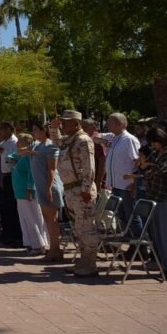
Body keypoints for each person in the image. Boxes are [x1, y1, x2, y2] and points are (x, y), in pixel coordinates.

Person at [51, 110, 99, 277]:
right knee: (77, 228)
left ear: (76, 123)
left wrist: (86, 189)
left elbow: (89, 167)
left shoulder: (83, 140)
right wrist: (53, 128)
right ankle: (83, 260)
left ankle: (90, 263)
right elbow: (56, 141)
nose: (63, 125)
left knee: (86, 228)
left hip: (80, 190)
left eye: (65, 122)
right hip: (70, 189)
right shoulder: (70, 140)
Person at [136, 127, 167, 279]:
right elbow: (143, 168)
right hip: (155, 198)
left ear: (160, 140)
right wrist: (144, 164)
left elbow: (158, 170)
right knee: (159, 236)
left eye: (154, 143)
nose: (152, 146)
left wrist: (147, 167)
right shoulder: (157, 153)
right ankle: (166, 266)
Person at [94, 112, 141, 234]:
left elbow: (137, 162)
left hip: (127, 186)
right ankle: (128, 241)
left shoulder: (129, 140)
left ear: (120, 124)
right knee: (122, 216)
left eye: (110, 122)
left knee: (132, 216)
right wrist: (101, 140)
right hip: (115, 185)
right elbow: (93, 136)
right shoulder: (113, 137)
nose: (107, 124)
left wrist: (134, 183)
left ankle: (139, 245)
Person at [30, 122, 64, 262]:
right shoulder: (37, 145)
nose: (33, 133)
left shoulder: (50, 146)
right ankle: (54, 249)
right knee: (47, 219)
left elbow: (52, 169)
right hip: (40, 186)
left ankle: (55, 249)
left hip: (49, 186)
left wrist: (49, 188)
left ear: (44, 131)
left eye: (35, 129)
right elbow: (20, 150)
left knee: (52, 219)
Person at [10, 133, 48, 255]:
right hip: (19, 192)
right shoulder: (21, 156)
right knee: (25, 219)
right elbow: (11, 156)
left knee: (33, 218)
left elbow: (32, 173)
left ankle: (38, 244)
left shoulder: (29, 157)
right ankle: (30, 243)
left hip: (27, 192)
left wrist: (30, 188)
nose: (17, 143)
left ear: (26, 143)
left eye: (19, 141)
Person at [0, 121, 22, 246]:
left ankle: (16, 236)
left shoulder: (14, 142)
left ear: (9, 130)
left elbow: (16, 159)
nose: (0, 133)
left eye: (2, 130)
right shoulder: (4, 142)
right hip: (4, 176)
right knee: (6, 207)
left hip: (12, 175)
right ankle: (8, 233)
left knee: (13, 207)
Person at [81, 119, 107, 190]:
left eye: (84, 126)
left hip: (96, 183)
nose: (82, 128)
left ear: (93, 127)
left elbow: (103, 161)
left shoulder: (96, 140)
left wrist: (99, 182)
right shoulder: (84, 139)